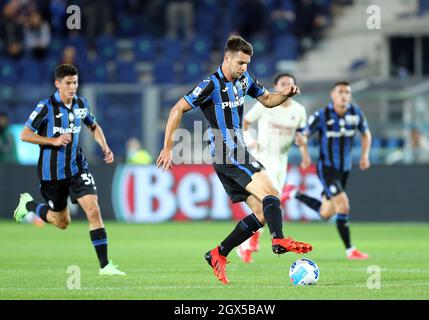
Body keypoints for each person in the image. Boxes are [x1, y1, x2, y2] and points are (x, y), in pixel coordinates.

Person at [156, 35, 313, 285]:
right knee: (271, 192)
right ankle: (279, 239)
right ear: (227, 58)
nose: (244, 68)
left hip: (234, 152)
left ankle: (218, 253)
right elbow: (177, 109)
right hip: (227, 151)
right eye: (240, 63)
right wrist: (168, 147)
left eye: (247, 63)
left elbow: (268, 100)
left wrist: (284, 94)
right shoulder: (210, 84)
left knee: (262, 212)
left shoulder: (245, 80)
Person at [13, 64, 126, 275]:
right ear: (58, 84)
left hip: (77, 168)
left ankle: (105, 266)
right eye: (68, 83)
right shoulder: (46, 107)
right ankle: (28, 204)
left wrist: (105, 146)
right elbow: (25, 134)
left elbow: (93, 126)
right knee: (62, 222)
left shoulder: (82, 103)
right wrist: (53, 140)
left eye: (75, 82)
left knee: (93, 210)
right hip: (52, 174)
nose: (73, 87)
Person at [285, 81, 372, 260]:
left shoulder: (355, 113)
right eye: (340, 92)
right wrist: (303, 144)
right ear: (333, 95)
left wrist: (365, 156)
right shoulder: (322, 115)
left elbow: (366, 134)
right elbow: (305, 133)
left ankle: (294, 193)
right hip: (327, 169)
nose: (344, 95)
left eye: (347, 92)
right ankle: (350, 250)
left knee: (326, 213)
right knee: (343, 205)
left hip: (344, 169)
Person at [236, 73, 310, 263]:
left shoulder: (299, 110)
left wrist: (304, 154)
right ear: (277, 87)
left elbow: (302, 134)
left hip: (281, 161)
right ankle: (254, 242)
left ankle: (247, 244)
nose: (287, 86)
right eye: (283, 83)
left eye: (290, 83)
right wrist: (251, 141)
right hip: (262, 158)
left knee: (270, 206)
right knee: (269, 202)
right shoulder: (265, 105)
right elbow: (245, 122)